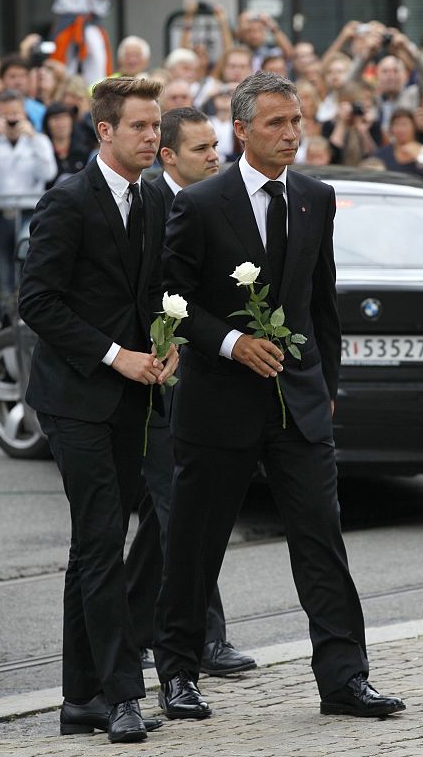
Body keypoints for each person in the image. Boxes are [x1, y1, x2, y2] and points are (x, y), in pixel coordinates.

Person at [153, 71, 406, 721]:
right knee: (194, 548)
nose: (291, 133)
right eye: (275, 123)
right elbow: (172, 303)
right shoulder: (200, 203)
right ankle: (178, 672)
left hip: (299, 407)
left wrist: (327, 392)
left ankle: (344, 679)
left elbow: (322, 306)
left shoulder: (315, 198)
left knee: (321, 540)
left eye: (296, 120)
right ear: (240, 129)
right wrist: (233, 344)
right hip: (217, 406)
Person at [18, 76, 179, 743]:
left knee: (107, 541)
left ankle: (79, 695)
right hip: (76, 396)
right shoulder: (66, 201)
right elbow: (38, 302)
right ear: (105, 131)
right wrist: (117, 355)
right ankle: (121, 697)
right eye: (141, 126)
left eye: (156, 126)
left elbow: (157, 290)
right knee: (100, 537)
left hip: (136, 394)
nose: (154, 138)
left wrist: (165, 347)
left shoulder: (153, 200)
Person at [125, 107, 257, 677]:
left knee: (167, 519)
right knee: (184, 510)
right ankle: (202, 638)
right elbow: (152, 288)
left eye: (216, 146)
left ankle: (136, 626)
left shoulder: (222, 203)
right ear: (169, 157)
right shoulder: (152, 203)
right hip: (152, 379)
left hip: (204, 380)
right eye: (202, 148)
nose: (215, 157)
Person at [0, 89, 57, 318]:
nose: (11, 118)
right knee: (1, 269)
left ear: (24, 112)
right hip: (0, 215)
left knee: (26, 260)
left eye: (15, 113)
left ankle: (27, 314)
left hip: (29, 213)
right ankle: (5, 318)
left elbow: (48, 171)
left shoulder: (38, 140)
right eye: (6, 113)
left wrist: (32, 139)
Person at [43, 0, 119, 85]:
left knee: (97, 60)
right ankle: (62, 100)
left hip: (92, 20)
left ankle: (97, 100)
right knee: (61, 67)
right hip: (67, 20)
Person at [374, 107, 423, 185]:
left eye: (404, 124)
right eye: (396, 124)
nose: (400, 129)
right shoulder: (382, 153)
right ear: (391, 129)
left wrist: (420, 159)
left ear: (414, 127)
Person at [42, 100, 93, 187]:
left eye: (64, 118)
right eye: (56, 119)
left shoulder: (84, 150)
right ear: (47, 123)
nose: (61, 124)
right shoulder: (42, 151)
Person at [0, 54, 46, 132]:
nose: (18, 82)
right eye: (12, 77)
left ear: (29, 79)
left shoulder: (41, 110)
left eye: (22, 76)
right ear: (1, 79)